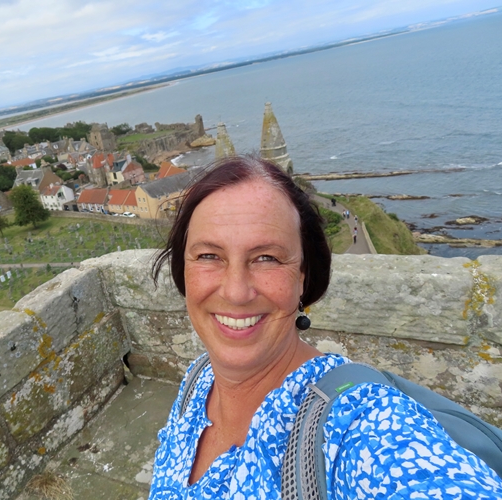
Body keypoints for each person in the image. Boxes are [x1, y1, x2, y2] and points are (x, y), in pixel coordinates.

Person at [149, 155, 502, 498]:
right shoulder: (197, 381)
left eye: (267, 258)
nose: (236, 292)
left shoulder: (360, 426)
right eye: (209, 256)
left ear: (303, 276)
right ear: (183, 270)